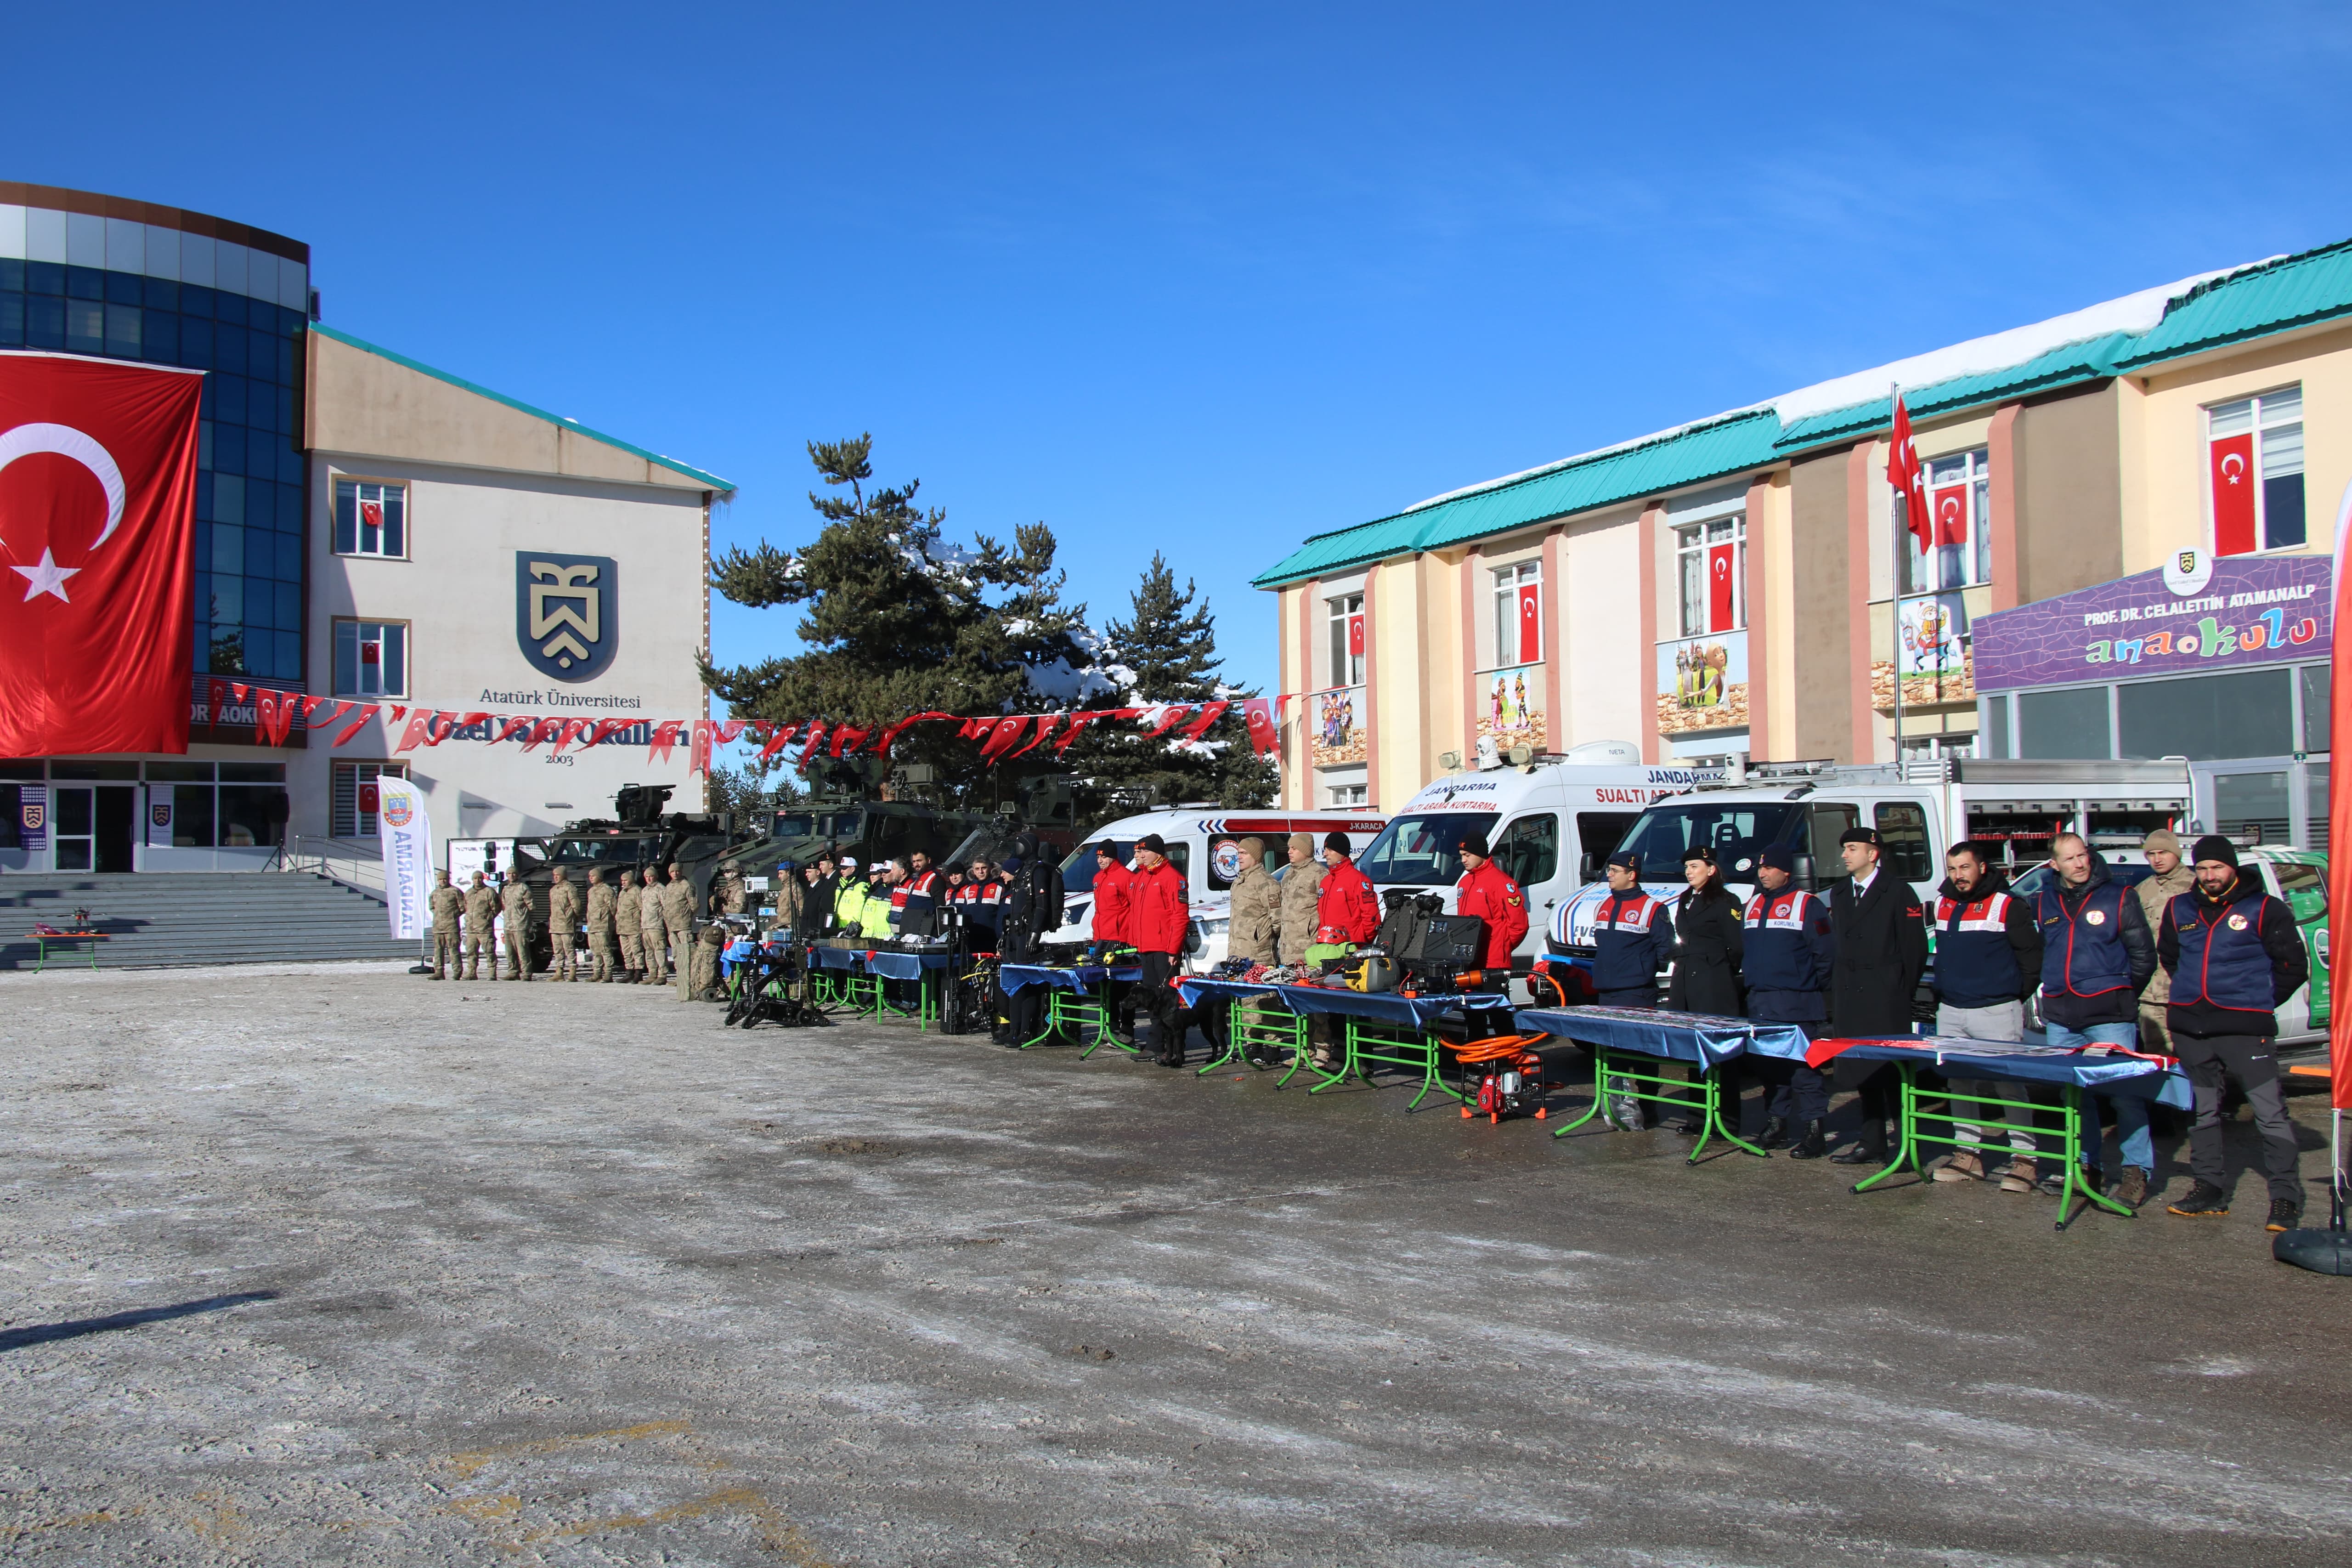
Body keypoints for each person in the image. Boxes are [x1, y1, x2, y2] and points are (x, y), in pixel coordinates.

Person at [2158, 836, 2310, 1228]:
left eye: (2218, 867)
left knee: (2269, 1113)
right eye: (2202, 868)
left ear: (2233, 868)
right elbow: (2171, 957)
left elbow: (2293, 966)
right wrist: (2193, 995)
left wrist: (2256, 1001)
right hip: (2191, 1027)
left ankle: (2285, 1197)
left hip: (2245, 1029)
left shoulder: (2265, 908)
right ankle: (2209, 1188)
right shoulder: (2179, 907)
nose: (2210, 875)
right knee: (2203, 1112)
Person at [2033, 832, 2157, 1202]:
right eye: (2070, 858)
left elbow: (2144, 956)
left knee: (2125, 1096)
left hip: (2110, 1016)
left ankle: (2136, 1172)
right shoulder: (2045, 900)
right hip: (2062, 1017)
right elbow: (2044, 952)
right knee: (2074, 1097)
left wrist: (2120, 992)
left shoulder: (2120, 896)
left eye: (2083, 855)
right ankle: (2087, 1167)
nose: (2080, 863)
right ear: (2055, 864)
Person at [1926, 841, 2045, 1190]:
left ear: (1982, 867)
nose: (1958, 876)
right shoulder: (1943, 903)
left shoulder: (2007, 905)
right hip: (1952, 1010)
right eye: (1952, 869)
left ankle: (2025, 1160)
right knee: (1959, 1084)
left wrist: (2011, 996)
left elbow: (2032, 958)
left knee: (2009, 1085)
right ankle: (1968, 1155)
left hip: (1997, 1011)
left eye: (1965, 867)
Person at [1826, 826, 1928, 1167]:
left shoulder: (1898, 891)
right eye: (1845, 848)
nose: (1845, 855)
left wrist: (1897, 988)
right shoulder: (1840, 892)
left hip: (1885, 996)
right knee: (1863, 1071)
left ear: (1873, 854)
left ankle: (1907, 1147)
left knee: (1892, 1073)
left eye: (1852, 848)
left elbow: (1914, 949)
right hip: (1851, 995)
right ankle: (1872, 1143)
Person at [1741, 846, 1836, 1156]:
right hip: (1761, 1002)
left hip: (1797, 1002)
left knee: (1804, 1070)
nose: (1763, 873)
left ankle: (1814, 1130)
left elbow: (1825, 956)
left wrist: (1807, 987)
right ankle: (1777, 1124)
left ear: (1786, 871)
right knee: (1770, 1070)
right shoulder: (1753, 904)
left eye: (1769, 868)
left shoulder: (1807, 905)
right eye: (1761, 868)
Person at [1582, 849, 1672, 1129]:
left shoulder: (1653, 908)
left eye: (1614, 871)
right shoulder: (1604, 905)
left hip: (1637, 992)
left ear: (1632, 875)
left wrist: (1642, 970)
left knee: (1643, 1053)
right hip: (1607, 992)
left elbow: (1665, 949)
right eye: (1609, 870)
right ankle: (1617, 1107)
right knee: (1612, 1054)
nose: (1609, 875)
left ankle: (1648, 1106)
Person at [1663, 845, 1744, 1136]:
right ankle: (1699, 1117)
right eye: (1687, 867)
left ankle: (1727, 1121)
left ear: (1711, 869)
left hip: (1713, 984)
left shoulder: (1726, 901)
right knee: (1694, 1054)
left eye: (1695, 866)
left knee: (1720, 1054)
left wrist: (1718, 970)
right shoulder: (1686, 899)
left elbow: (1736, 946)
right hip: (1686, 982)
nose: (1689, 872)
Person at [1453, 832, 1529, 1038]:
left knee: (1499, 1015)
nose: (1464, 860)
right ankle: (1477, 1056)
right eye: (1462, 856)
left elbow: (1519, 925)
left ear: (1480, 854)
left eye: (1467, 855)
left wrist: (1501, 946)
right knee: (1472, 1015)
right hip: (1469, 961)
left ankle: (1509, 1054)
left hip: (1493, 962)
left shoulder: (1502, 883)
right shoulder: (1465, 883)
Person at [1128, 834, 1192, 1067]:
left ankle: (1164, 1046)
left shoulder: (1172, 878)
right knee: (1152, 999)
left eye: (1145, 851)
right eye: (1139, 851)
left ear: (1157, 853)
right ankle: (1157, 1044)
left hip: (1164, 949)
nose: (1141, 855)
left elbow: (1180, 916)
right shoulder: (1143, 877)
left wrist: (1174, 950)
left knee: (1166, 1000)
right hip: (1147, 947)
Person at [997, 833, 1065, 1047]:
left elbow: (1042, 905)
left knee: (1027, 983)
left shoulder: (1038, 870)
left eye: (1019, 845)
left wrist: (1035, 933)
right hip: (1015, 934)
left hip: (1027, 935)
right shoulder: (1021, 872)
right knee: (1016, 984)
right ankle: (1015, 1029)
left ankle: (1026, 1031)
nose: (1017, 848)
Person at [2134, 827, 2195, 1055]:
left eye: (2163, 853)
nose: (2157, 859)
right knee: (2157, 1054)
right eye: (2151, 854)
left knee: (2191, 1054)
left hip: (2185, 988)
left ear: (2176, 854)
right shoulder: (2142, 890)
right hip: (2151, 992)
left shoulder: (2194, 887)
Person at [1227, 838, 1280, 966]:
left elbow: (1278, 920)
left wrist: (1261, 938)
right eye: (1239, 853)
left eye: (1244, 853)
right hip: (1237, 954)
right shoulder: (1239, 882)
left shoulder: (1267, 883)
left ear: (1256, 856)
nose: (1239, 857)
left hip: (1259, 957)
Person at [1278, 832, 1326, 967]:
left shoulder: (1319, 874)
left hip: (1307, 948)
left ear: (1305, 851)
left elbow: (1327, 908)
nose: (1289, 852)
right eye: (1289, 848)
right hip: (1287, 950)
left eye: (1294, 849)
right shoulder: (1288, 874)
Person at [1089, 841, 1133, 957]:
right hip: (1100, 936)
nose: (1100, 861)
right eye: (1098, 857)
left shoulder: (1127, 877)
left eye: (1104, 857)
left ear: (1113, 857)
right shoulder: (1098, 878)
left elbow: (1136, 908)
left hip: (1119, 937)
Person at [662, 861, 696, 1000]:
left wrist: (686, 915)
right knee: (676, 953)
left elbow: (694, 905)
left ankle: (690, 979)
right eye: (672, 872)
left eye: (677, 871)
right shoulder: (669, 887)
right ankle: (680, 978)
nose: (675, 874)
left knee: (687, 953)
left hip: (683, 925)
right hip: (672, 926)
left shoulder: (686, 885)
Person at [547, 866, 584, 982]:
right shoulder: (553, 890)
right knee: (558, 950)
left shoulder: (570, 888)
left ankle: (572, 972)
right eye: (554, 875)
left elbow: (577, 906)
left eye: (558, 875)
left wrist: (574, 917)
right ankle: (559, 972)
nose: (556, 877)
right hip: (555, 925)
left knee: (569, 949)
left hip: (566, 924)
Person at [462, 871, 498, 982]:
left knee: (489, 952)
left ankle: (492, 973)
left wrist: (487, 919)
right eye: (475, 879)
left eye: (479, 878)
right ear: (472, 880)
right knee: (471, 952)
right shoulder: (469, 893)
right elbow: (465, 907)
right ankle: (472, 972)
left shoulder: (489, 892)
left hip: (484, 929)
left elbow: (496, 908)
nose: (477, 881)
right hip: (471, 929)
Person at [638, 866, 672, 985]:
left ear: (656, 877)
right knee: (649, 951)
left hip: (656, 925)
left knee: (659, 950)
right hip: (646, 925)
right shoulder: (644, 891)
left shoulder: (661, 889)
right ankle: (652, 974)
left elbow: (666, 907)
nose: (649, 879)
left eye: (651, 876)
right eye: (647, 877)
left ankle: (662, 975)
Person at [428, 869, 464, 980]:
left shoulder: (455, 891)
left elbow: (463, 907)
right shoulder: (435, 893)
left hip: (451, 927)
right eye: (440, 879)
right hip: (438, 928)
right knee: (438, 950)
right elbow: (432, 907)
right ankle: (439, 972)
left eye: (445, 879)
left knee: (453, 950)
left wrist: (453, 915)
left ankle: (457, 972)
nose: (443, 881)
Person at [499, 872, 534, 982]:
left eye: (514, 873)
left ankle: (526, 973)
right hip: (508, 925)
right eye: (509, 873)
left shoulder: (523, 888)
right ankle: (513, 972)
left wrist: (523, 916)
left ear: (517, 875)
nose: (512, 875)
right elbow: (503, 905)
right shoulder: (506, 889)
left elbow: (531, 906)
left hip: (520, 924)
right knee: (510, 952)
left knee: (522, 951)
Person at [584, 867, 617, 982]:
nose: (591, 878)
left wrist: (610, 921)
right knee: (595, 951)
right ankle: (597, 973)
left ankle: (608, 973)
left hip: (603, 925)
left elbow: (613, 907)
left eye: (593, 876)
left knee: (605, 950)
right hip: (592, 925)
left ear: (599, 877)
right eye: (590, 876)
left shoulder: (607, 890)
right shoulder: (591, 891)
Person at [615, 869, 643, 981]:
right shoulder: (623, 892)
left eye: (626, 880)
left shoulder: (637, 891)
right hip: (623, 927)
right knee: (626, 951)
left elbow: (642, 908)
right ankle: (629, 972)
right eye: (622, 880)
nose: (623, 882)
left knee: (636, 951)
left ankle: (638, 972)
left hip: (634, 927)